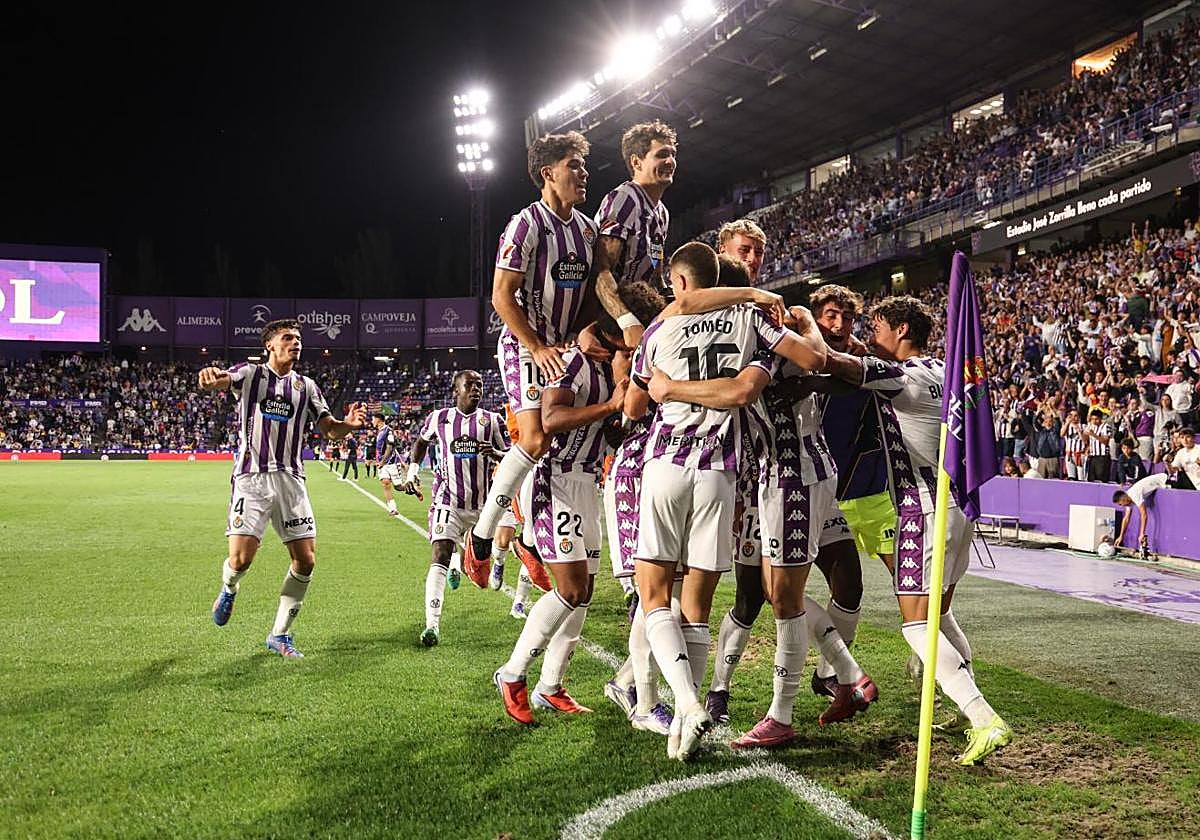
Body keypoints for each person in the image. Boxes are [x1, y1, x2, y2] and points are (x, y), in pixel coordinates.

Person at [626, 242, 828, 761]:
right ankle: (687, 724)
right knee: (696, 606)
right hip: (721, 471)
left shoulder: (658, 328)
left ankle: (688, 705)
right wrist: (801, 316)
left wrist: (670, 388)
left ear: (678, 281)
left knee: (654, 597)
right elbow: (812, 358)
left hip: (666, 464)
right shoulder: (752, 320)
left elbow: (634, 404)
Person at [822, 296, 1012, 766]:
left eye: (879, 326)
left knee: (915, 625)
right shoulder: (944, 372)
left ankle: (983, 717)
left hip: (922, 510)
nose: (871, 333)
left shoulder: (902, 377)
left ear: (902, 329)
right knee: (941, 615)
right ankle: (963, 702)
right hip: (960, 509)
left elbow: (832, 363)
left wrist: (804, 326)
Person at [494, 283, 663, 725]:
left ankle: (551, 686)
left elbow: (614, 429)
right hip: (556, 478)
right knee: (568, 590)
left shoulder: (613, 364)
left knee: (582, 594)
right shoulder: (574, 361)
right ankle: (513, 675)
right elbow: (550, 419)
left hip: (588, 483)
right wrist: (610, 403)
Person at [464, 131, 600, 588]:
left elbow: (592, 294)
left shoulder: (586, 229)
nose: (583, 174)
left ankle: (530, 541)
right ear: (548, 173)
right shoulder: (526, 224)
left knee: (558, 450)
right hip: (526, 345)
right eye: (574, 166)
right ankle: (483, 536)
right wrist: (537, 346)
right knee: (538, 439)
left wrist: (579, 334)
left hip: (565, 349)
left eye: (583, 166)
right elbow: (502, 296)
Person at [203, 318, 366, 658]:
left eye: (298, 339)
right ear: (270, 346)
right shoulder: (251, 375)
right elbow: (223, 379)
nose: (296, 343)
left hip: (291, 480)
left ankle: (280, 634)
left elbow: (329, 430)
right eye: (287, 338)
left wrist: (348, 425)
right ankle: (229, 588)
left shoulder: (307, 387)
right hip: (252, 478)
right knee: (241, 559)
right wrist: (210, 377)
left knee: (305, 559)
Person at [402, 370, 509, 647]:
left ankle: (492, 561)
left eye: (480, 385)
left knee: (480, 565)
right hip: (448, 500)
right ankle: (432, 625)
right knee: (439, 553)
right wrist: (412, 472)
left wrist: (496, 454)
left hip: (483, 508)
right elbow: (421, 442)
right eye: (470, 385)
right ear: (455, 390)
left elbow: (512, 456)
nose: (476, 389)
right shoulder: (439, 418)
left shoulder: (493, 421)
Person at [1114, 472, 1170, 549]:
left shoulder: (1134, 494)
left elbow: (1144, 514)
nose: (1122, 506)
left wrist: (1142, 534)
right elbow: (1126, 519)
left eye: (1120, 504)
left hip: (1165, 480)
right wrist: (1121, 536)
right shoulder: (1128, 498)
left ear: (1124, 499)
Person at [373, 415, 405, 516]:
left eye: (373, 419)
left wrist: (382, 461)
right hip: (383, 464)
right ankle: (393, 509)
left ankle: (413, 487)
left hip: (391, 463)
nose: (372, 421)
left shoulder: (388, 430)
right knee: (386, 483)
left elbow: (390, 447)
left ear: (378, 420)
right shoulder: (380, 432)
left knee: (399, 487)